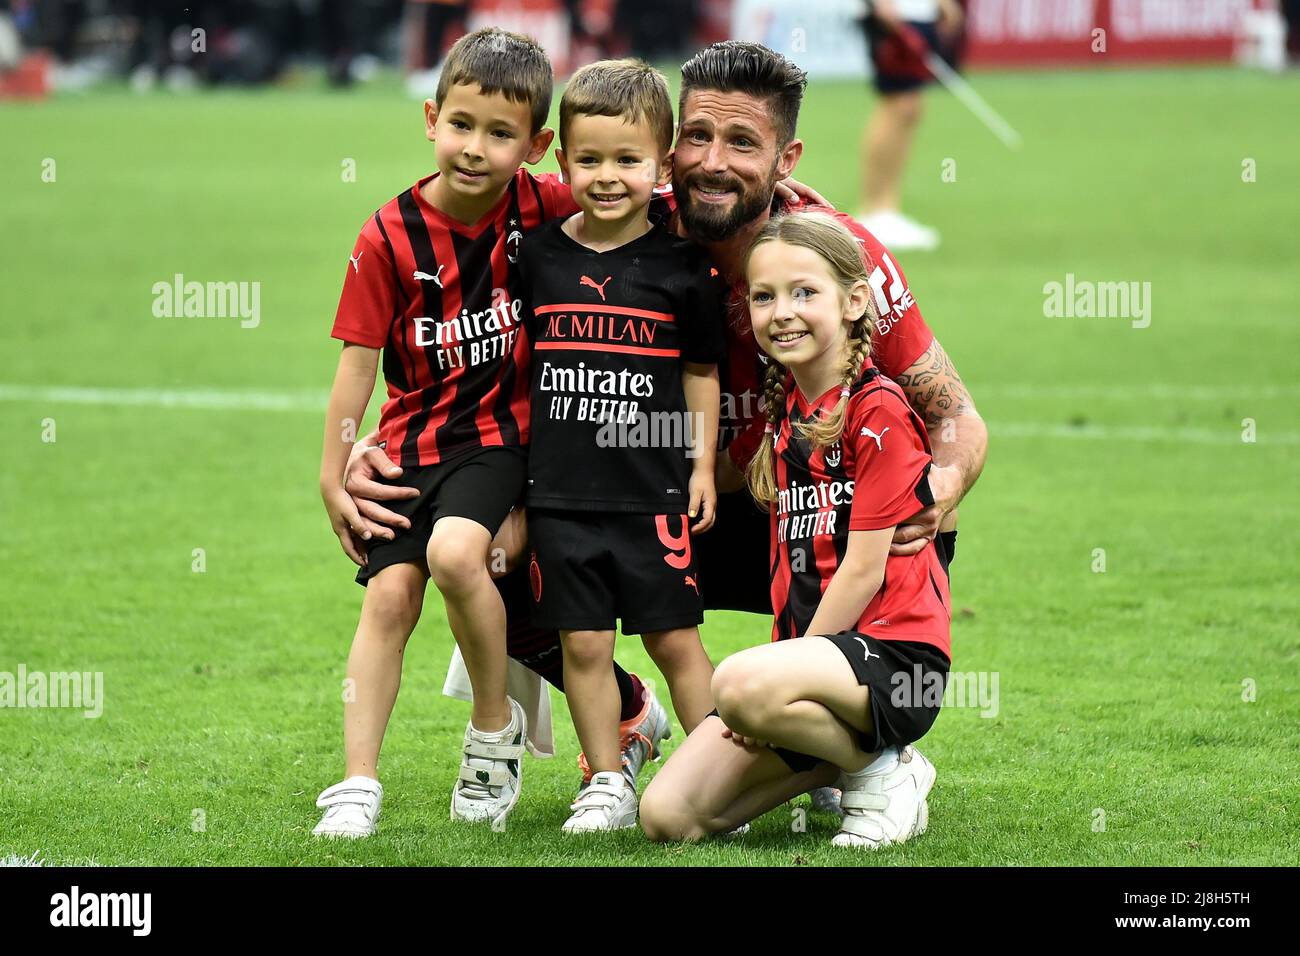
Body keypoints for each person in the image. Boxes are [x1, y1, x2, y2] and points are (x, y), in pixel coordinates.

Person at [344, 40, 987, 836]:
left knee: (878, 522)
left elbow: (957, 415)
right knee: (487, 554)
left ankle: (867, 741)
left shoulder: (829, 253)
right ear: (666, 142)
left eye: (743, 144)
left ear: (786, 157)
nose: (712, 163)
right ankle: (628, 714)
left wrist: (936, 492)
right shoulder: (607, 203)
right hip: (671, 500)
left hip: (822, 520)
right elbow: (469, 196)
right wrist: (376, 441)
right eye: (697, 137)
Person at [313, 27, 669, 838]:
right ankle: (357, 784)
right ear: (430, 116)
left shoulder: (544, 203)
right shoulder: (386, 238)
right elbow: (356, 369)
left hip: (502, 438)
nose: (475, 148)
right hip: (411, 443)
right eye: (461, 124)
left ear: (537, 146)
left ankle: (491, 732)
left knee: (452, 557)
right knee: (390, 596)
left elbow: (631, 188)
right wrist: (334, 476)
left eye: (501, 134)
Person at [641, 211, 951, 847]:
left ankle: (886, 771)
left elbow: (864, 570)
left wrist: (784, 669)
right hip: (810, 668)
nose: (783, 311)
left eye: (805, 292)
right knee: (670, 817)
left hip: (893, 662)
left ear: (854, 301)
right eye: (764, 296)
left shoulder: (880, 411)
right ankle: (837, 760)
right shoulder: (784, 421)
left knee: (737, 684)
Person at [518, 59, 724, 831]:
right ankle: (606, 778)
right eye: (591, 159)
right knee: (585, 644)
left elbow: (702, 373)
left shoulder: (683, 268)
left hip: (653, 493)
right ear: (562, 159)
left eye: (629, 160)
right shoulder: (537, 258)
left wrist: (701, 462)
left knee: (675, 640)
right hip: (561, 497)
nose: (608, 176)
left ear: (662, 164)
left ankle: (714, 766)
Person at [855, 0, 966, 251]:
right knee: (898, 103)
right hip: (893, 14)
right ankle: (876, 210)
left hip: (917, 12)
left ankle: (887, 209)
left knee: (910, 107)